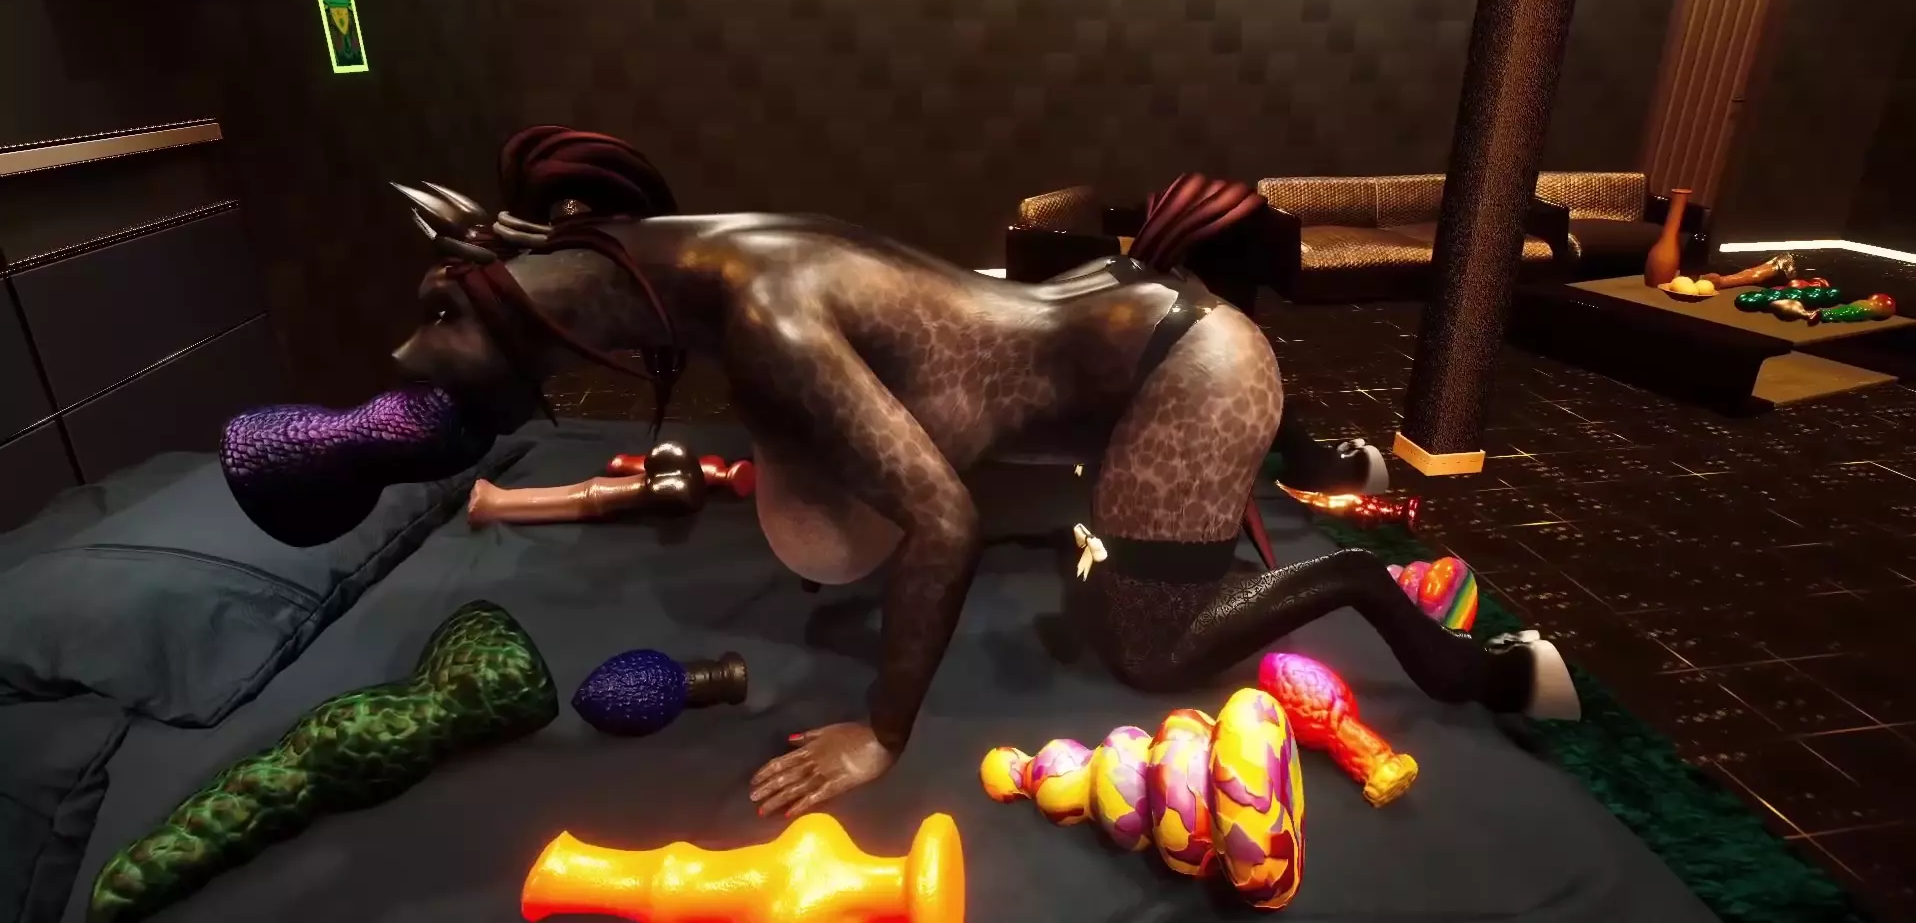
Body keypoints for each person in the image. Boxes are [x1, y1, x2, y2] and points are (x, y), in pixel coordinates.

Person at [388, 126, 1576, 818]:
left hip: (1188, 367)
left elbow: (942, 523)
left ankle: (1406, 616)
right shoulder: (724, 257)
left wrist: (882, 735)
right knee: (1042, 525)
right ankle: (1307, 455)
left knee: (1152, 650)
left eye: (439, 319)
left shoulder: (764, 313)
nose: (409, 355)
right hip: (1126, 329)